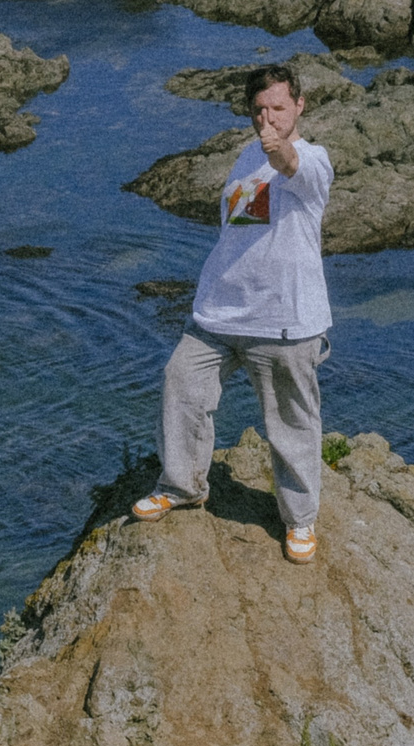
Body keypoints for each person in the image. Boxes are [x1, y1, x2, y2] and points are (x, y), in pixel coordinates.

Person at [131, 63, 334, 563]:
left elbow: (293, 167)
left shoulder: (312, 161)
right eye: (259, 110)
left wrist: (280, 149)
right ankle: (182, 486)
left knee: (291, 422)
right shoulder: (245, 156)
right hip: (219, 315)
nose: (267, 119)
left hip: (285, 321)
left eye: (278, 109)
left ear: (299, 106)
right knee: (180, 381)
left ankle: (300, 519)